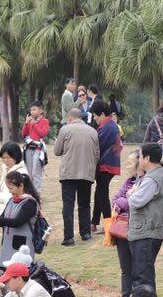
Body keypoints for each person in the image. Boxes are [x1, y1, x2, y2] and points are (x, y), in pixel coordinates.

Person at [127, 143, 163, 291]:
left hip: (147, 233)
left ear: (147, 158)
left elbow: (135, 201)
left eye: (140, 155)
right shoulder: (156, 174)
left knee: (143, 276)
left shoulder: (152, 179)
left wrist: (131, 193)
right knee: (143, 273)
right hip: (149, 231)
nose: (139, 159)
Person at [54, 107, 99, 246]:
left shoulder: (65, 130)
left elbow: (57, 151)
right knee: (84, 204)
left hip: (69, 173)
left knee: (68, 204)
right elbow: (97, 154)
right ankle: (85, 233)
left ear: (70, 118)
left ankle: (68, 237)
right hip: (87, 172)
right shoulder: (93, 131)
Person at [0, 171, 40, 268]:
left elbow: (16, 222)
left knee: (19, 276)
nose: (10, 191)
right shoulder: (12, 200)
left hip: (22, 248)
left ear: (21, 186)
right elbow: (2, 221)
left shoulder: (30, 203)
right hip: (7, 245)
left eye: (11, 188)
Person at [112, 150, 141, 297]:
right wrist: (124, 200)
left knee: (137, 268)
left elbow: (134, 204)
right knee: (125, 268)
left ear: (139, 164)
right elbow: (115, 200)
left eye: (130, 163)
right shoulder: (128, 182)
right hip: (121, 230)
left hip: (135, 229)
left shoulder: (144, 182)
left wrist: (123, 202)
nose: (127, 166)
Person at [91, 99, 122, 233]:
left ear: (102, 114)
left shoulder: (107, 127)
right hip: (110, 164)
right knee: (99, 192)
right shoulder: (111, 125)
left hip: (106, 165)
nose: (94, 118)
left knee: (102, 194)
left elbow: (97, 146)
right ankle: (94, 223)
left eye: (95, 115)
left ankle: (108, 224)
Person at [0, 142, 28, 216]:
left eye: (8, 158)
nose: (5, 160)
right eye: (3, 158)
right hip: (5, 213)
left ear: (16, 157)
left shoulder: (20, 173)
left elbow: (16, 199)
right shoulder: (6, 169)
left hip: (13, 214)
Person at [21, 100, 50, 193]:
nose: (32, 112)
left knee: (36, 173)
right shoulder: (29, 121)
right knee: (29, 173)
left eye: (34, 110)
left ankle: (37, 193)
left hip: (38, 149)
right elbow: (23, 134)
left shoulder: (44, 121)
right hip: (29, 149)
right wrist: (26, 123)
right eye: (31, 110)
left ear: (40, 110)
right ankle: (30, 192)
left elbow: (42, 134)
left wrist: (34, 124)